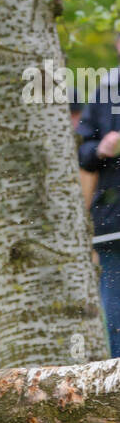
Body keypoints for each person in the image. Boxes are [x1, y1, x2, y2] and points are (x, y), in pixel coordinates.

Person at [77, 51, 120, 356]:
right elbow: (83, 152)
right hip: (112, 219)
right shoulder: (105, 89)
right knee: (116, 312)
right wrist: (101, 149)